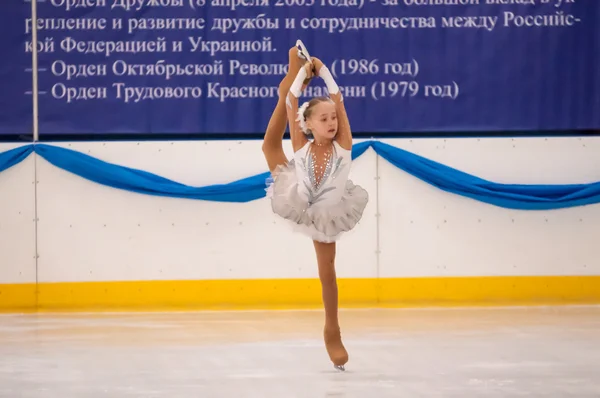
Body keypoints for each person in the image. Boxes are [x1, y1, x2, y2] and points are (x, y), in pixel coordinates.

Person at [262, 41, 369, 371]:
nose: (332, 122)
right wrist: (297, 81)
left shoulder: (344, 144)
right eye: (324, 119)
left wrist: (322, 70)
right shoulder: (301, 142)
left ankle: (332, 330)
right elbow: (295, 103)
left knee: (327, 271)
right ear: (309, 124)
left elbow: (338, 101)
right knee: (269, 147)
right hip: (299, 194)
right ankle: (290, 74)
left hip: (327, 211)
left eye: (333, 119)